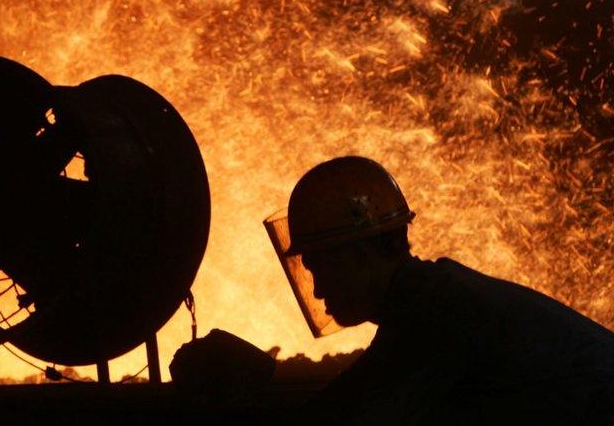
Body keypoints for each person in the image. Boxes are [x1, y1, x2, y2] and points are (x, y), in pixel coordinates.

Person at [175, 156, 614, 423]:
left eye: (321, 265)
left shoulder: (437, 317)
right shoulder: (435, 300)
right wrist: (270, 376)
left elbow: (351, 417)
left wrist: (254, 385)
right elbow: (363, 387)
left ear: (365, 252)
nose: (319, 286)